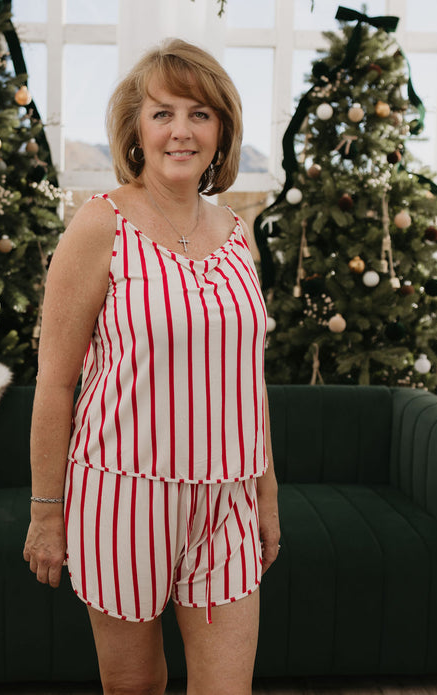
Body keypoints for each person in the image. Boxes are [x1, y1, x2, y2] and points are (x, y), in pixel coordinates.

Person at [23, 38, 280, 695]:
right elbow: (55, 382)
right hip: (121, 494)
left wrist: (264, 494)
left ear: (220, 131)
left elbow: (244, 381)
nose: (181, 131)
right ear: (136, 129)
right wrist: (45, 513)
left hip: (225, 499)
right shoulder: (98, 225)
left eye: (199, 113)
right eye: (162, 112)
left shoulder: (237, 232)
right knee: (135, 684)